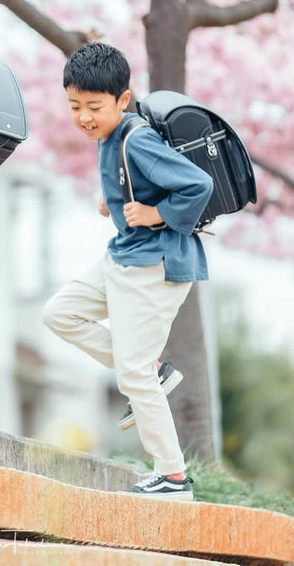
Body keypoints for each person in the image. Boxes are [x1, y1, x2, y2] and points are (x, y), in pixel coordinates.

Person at [43, 42, 213, 501]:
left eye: (94, 107)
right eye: (75, 106)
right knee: (59, 314)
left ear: (123, 99)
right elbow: (131, 182)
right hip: (122, 256)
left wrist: (155, 214)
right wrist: (113, 202)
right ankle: (151, 371)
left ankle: (173, 477)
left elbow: (199, 185)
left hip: (155, 264)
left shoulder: (137, 138)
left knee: (131, 374)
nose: (84, 116)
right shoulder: (109, 137)